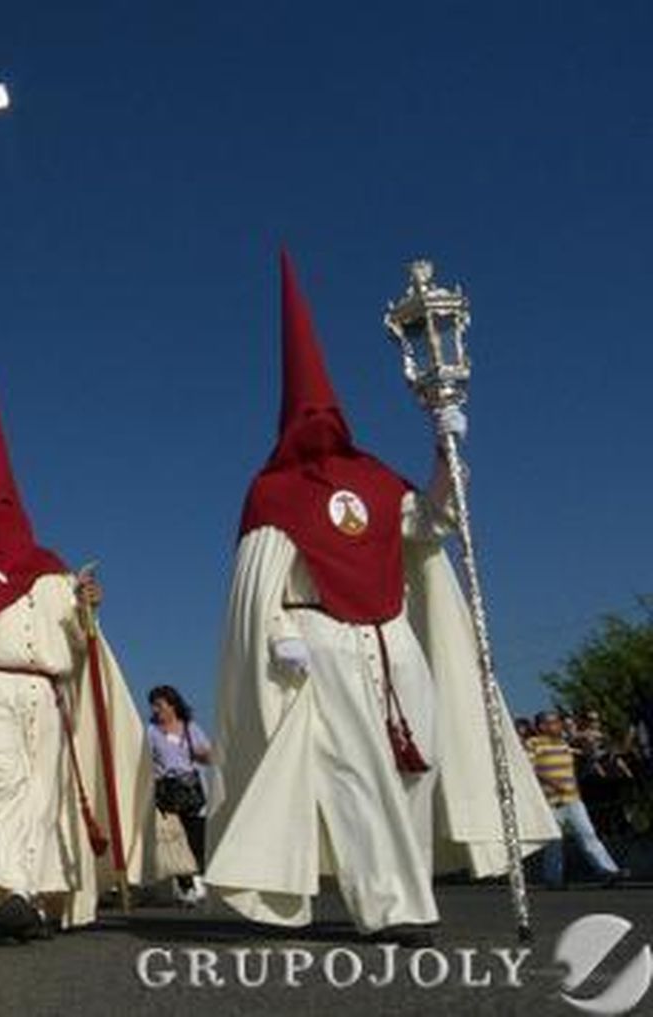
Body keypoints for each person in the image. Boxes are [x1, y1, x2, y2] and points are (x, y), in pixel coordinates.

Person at [205, 253, 556, 946]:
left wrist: (445, 454)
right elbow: (257, 583)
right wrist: (278, 632)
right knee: (354, 771)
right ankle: (389, 904)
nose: (318, 420)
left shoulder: (373, 477)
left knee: (411, 762)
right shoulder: (271, 490)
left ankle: (408, 885)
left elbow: (429, 527)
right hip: (322, 642)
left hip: (394, 637)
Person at [0, 370, 150, 938]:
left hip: (46, 695)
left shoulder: (51, 570)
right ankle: (2, 885)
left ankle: (19, 893)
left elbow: (77, 645)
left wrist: (86, 609)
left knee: (38, 796)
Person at [527, 710, 624, 888]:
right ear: (542, 726)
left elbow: (585, 752)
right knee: (554, 842)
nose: (558, 725)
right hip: (550, 801)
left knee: (588, 834)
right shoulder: (534, 743)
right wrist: (553, 783)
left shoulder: (563, 742)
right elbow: (530, 769)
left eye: (558, 722)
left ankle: (609, 872)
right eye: (554, 722)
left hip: (572, 798)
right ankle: (553, 880)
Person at [146, 685, 211, 905]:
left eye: (159, 705)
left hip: (191, 790)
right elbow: (145, 762)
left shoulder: (191, 728)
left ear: (172, 705)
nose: (156, 710)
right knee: (174, 840)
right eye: (153, 706)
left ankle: (196, 879)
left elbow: (208, 756)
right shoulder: (151, 732)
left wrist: (203, 754)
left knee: (196, 839)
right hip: (166, 792)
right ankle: (186, 886)